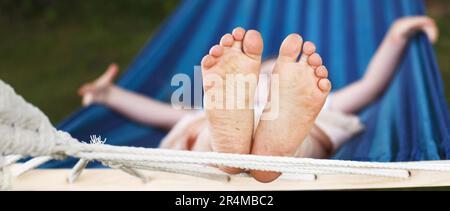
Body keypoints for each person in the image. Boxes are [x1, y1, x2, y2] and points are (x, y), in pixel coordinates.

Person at [78, 16, 438, 182]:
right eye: (264, 77)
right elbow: (157, 113)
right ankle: (258, 151)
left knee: (306, 128)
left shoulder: (320, 103)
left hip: (293, 121)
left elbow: (372, 86)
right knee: (210, 126)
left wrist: (394, 36)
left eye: (272, 79)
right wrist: (110, 93)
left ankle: (261, 150)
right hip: (232, 122)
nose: (265, 83)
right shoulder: (212, 108)